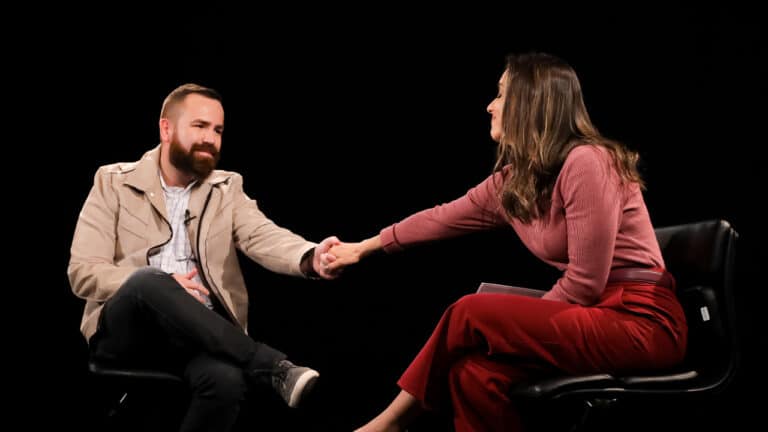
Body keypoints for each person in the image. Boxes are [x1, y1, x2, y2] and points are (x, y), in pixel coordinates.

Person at [325, 52, 688, 432]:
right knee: (472, 374)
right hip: (594, 317)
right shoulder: (517, 182)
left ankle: (388, 425)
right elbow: (440, 217)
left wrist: (519, 327)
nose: (489, 106)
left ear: (531, 102)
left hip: (640, 322)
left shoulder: (588, 161)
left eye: (500, 94)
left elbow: (585, 283)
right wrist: (362, 247)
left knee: (471, 311)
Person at [68, 83, 340, 432]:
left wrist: (309, 256)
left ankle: (259, 367)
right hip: (128, 332)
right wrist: (160, 282)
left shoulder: (227, 188)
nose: (210, 138)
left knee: (226, 382)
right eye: (199, 126)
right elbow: (82, 272)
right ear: (166, 128)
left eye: (218, 130)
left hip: (199, 335)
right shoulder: (112, 182)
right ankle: (273, 368)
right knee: (150, 280)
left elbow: (262, 235)